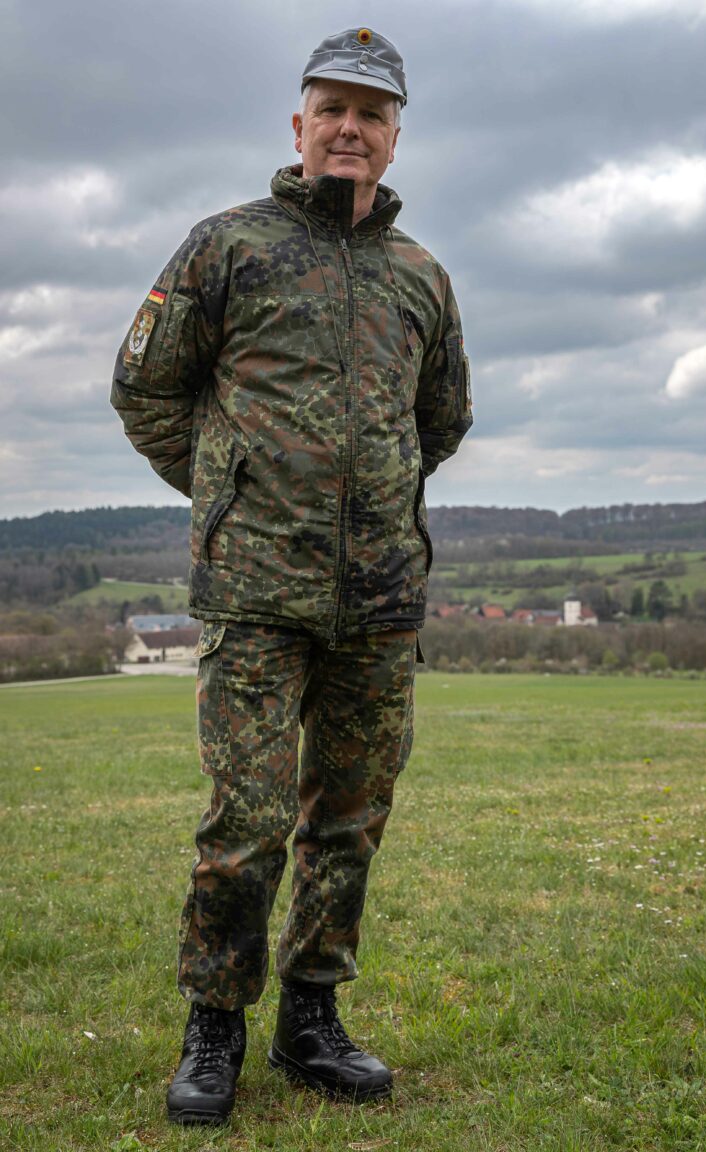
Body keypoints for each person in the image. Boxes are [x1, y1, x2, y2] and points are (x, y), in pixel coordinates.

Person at [111, 27, 472, 1126]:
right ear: (299, 124)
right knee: (248, 818)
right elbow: (146, 390)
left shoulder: (421, 278)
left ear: (397, 136)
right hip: (256, 594)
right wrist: (233, 497)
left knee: (349, 818)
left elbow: (441, 421)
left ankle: (311, 1020)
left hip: (377, 600)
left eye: (374, 112)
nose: (352, 127)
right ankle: (213, 1028)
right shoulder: (228, 247)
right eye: (333, 107)